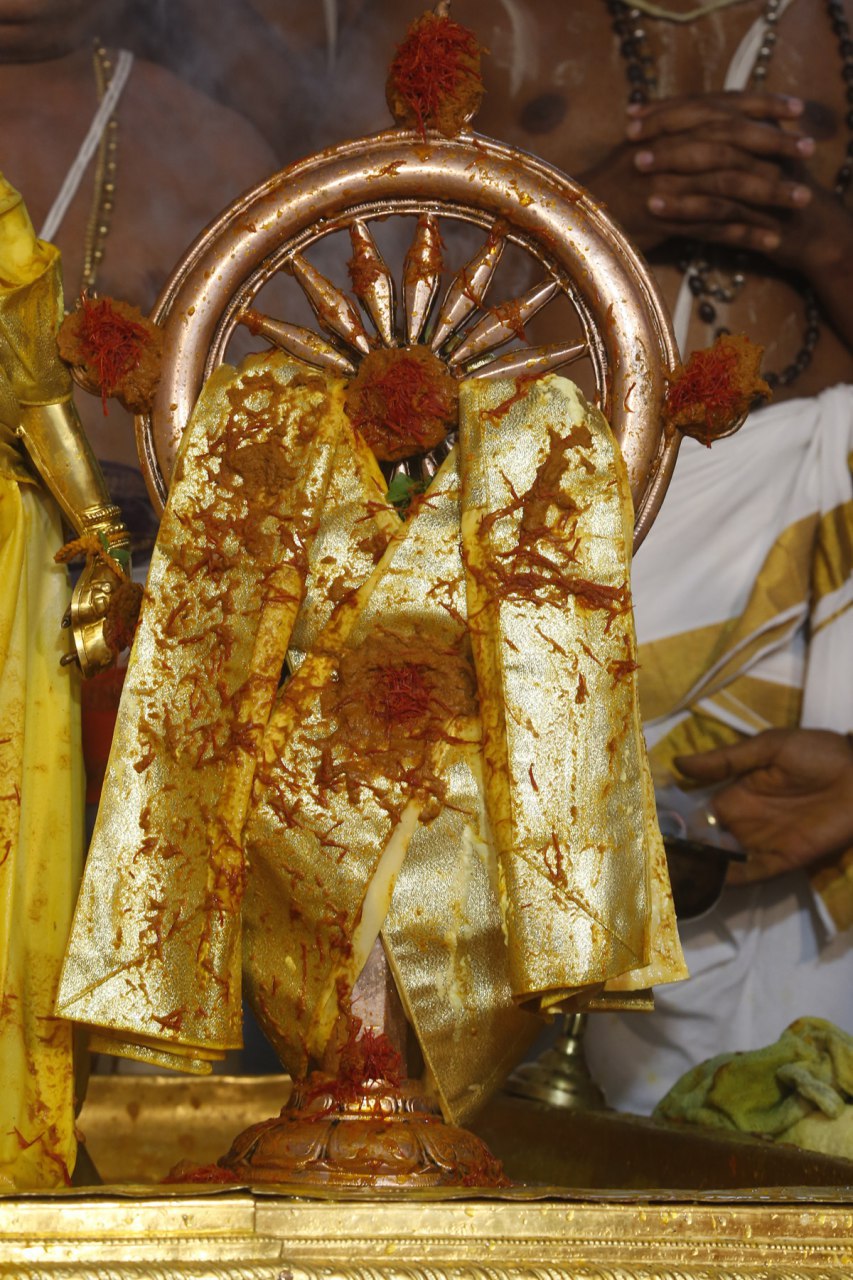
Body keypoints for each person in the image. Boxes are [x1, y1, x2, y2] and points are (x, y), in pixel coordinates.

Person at [296, 0, 853, 1111]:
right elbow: (355, 338)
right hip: (518, 565)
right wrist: (574, 227)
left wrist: (826, 247)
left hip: (819, 587)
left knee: (797, 1104)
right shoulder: (456, 22)